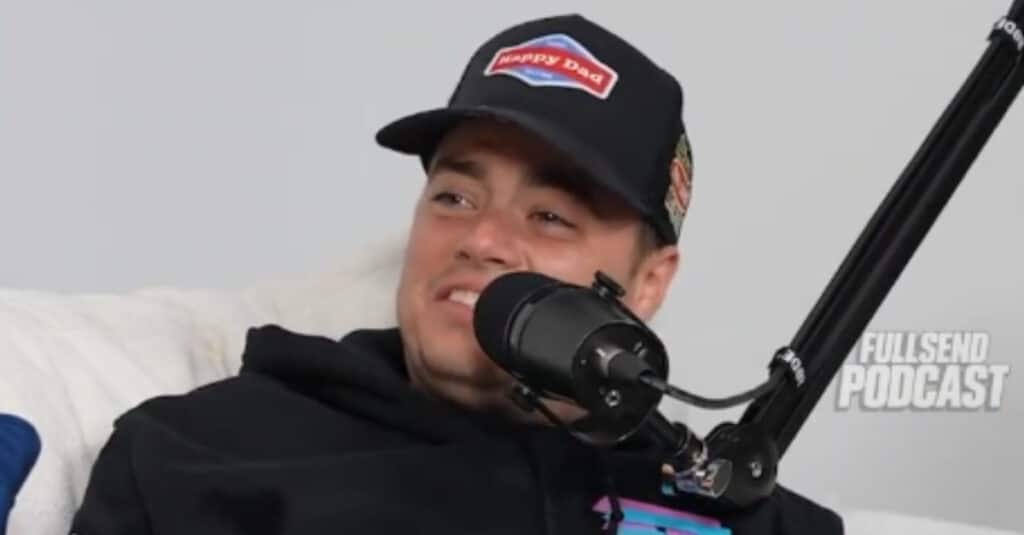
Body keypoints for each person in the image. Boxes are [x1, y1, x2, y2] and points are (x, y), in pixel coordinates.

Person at [71, 14, 843, 535]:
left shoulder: (740, 509)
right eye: (454, 195)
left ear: (648, 283)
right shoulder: (197, 452)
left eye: (550, 216)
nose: (481, 237)